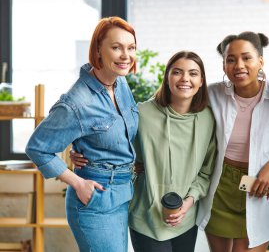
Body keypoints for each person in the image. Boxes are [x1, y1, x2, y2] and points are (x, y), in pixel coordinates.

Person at [71, 51, 217, 252]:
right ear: (167, 78)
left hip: (185, 219)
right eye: (177, 72)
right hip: (146, 218)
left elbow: (205, 173)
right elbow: (107, 136)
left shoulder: (208, 119)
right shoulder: (142, 113)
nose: (185, 78)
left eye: (193, 73)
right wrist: (78, 149)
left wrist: (188, 203)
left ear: (201, 81)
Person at [25, 16, 138, 252]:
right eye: (116, 47)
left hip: (122, 192)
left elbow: (104, 134)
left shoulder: (120, 84)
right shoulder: (77, 101)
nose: (126, 55)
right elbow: (37, 147)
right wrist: (77, 183)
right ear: (98, 49)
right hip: (95, 197)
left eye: (131, 47)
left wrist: (73, 147)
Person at [196, 32, 269, 252]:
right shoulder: (211, 94)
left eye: (246, 58)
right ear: (223, 65)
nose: (238, 65)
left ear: (260, 61)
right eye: (231, 59)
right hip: (220, 188)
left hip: (258, 185)